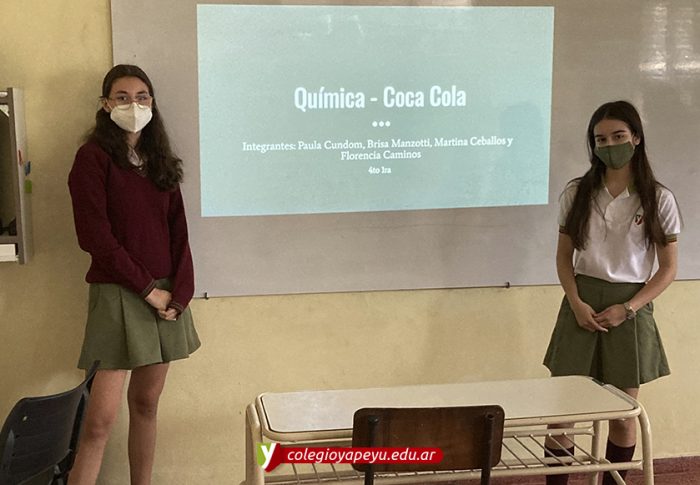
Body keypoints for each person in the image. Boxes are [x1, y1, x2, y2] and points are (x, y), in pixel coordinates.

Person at [67, 64, 201, 485]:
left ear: (152, 103)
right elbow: (95, 238)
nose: (133, 104)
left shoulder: (159, 161)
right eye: (122, 97)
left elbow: (178, 232)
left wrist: (180, 294)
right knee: (99, 422)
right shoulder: (92, 158)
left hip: (163, 299)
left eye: (141, 96)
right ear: (106, 104)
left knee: (146, 405)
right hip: (118, 294)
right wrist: (147, 290)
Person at [542, 100, 681, 485]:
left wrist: (629, 308)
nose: (609, 145)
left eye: (618, 136)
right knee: (562, 415)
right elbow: (563, 257)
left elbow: (668, 269)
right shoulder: (577, 192)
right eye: (600, 139)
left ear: (636, 138)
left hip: (630, 306)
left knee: (622, 413)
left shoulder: (658, 198)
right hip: (581, 302)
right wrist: (575, 302)